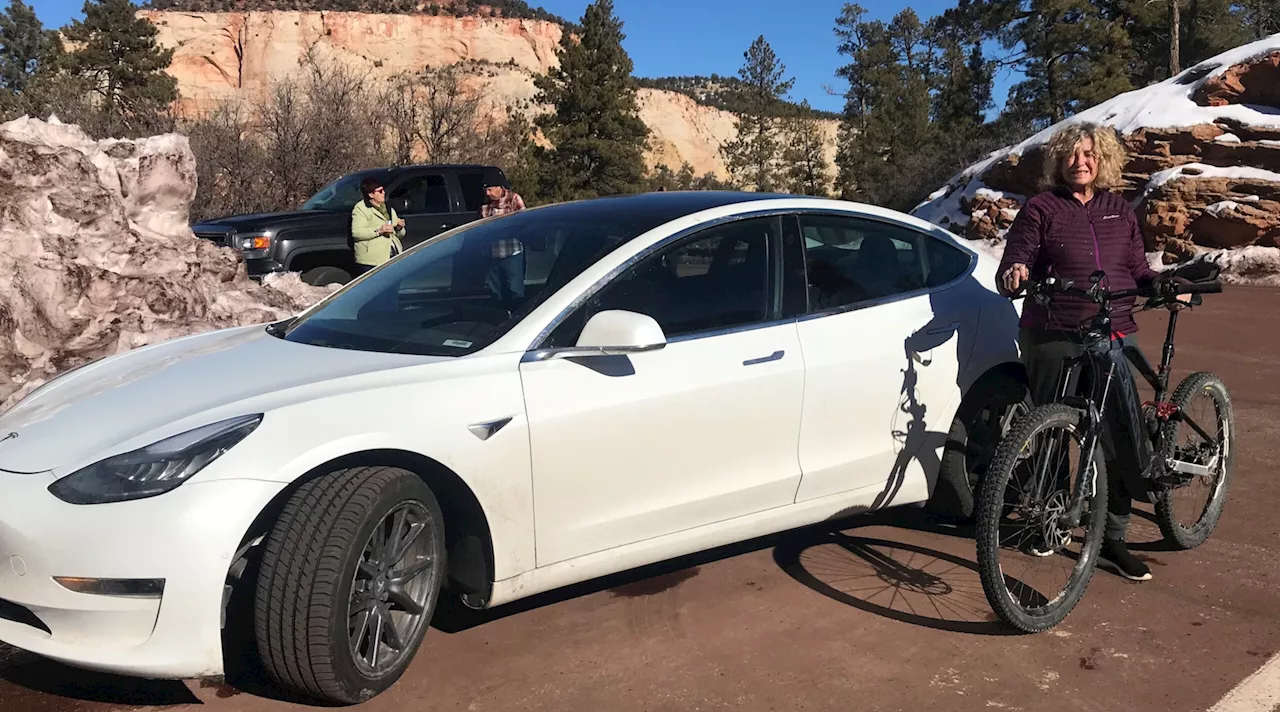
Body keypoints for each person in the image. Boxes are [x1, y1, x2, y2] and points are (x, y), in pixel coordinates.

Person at [997, 121, 1189, 583]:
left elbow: (1137, 268)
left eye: (1089, 155)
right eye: (1071, 154)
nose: (1080, 162)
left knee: (1114, 435)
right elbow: (1015, 257)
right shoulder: (1041, 208)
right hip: (1053, 331)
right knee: (1050, 432)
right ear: (1059, 161)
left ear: (1101, 161)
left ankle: (1111, 538)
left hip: (1113, 330)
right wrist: (1016, 272)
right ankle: (1050, 518)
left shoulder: (1118, 210)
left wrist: (1162, 284)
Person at [477, 182, 527, 308]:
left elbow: (525, 222)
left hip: (511, 253)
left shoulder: (514, 199)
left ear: (498, 187)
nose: (487, 194)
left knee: (515, 291)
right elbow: (479, 229)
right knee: (496, 294)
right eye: (485, 191)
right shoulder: (485, 205)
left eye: (489, 190)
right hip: (491, 255)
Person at [350, 177, 405, 277]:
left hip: (392, 255)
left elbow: (400, 234)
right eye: (380, 191)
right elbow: (357, 233)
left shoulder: (387, 207)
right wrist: (379, 231)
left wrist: (399, 227)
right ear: (371, 194)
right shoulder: (360, 209)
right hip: (371, 260)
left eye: (383, 190)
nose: (383, 193)